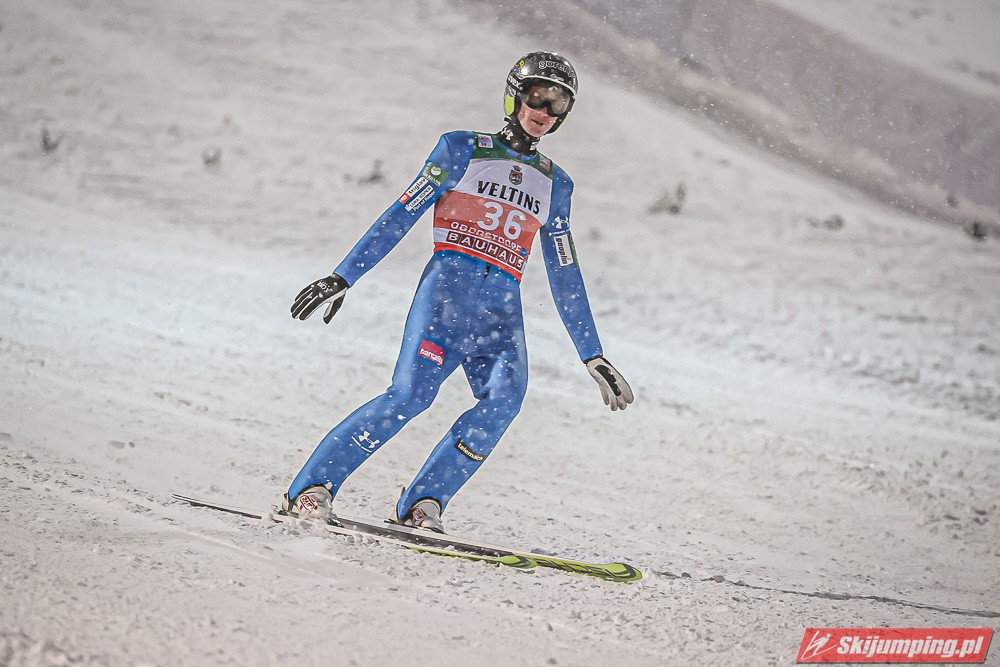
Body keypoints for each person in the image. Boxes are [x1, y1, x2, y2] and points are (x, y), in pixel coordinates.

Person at [284, 51, 634, 532]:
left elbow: (565, 271)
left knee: (504, 402)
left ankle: (425, 501)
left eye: (558, 104)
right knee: (409, 397)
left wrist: (592, 354)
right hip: (446, 298)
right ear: (514, 95)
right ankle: (312, 488)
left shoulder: (557, 185)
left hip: (500, 313)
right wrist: (343, 276)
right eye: (537, 96)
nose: (544, 111)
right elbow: (401, 213)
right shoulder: (461, 149)